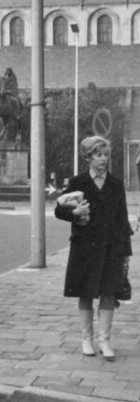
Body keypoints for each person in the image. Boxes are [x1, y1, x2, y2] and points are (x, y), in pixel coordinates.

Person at [54, 136, 133, 361]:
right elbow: (58, 210)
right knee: (85, 292)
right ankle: (86, 340)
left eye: (106, 155)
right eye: (98, 155)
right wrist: (74, 214)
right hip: (85, 247)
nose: (103, 159)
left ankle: (104, 341)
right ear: (88, 157)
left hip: (111, 247)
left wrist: (126, 253)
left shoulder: (116, 184)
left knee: (108, 292)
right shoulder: (77, 183)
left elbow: (122, 218)